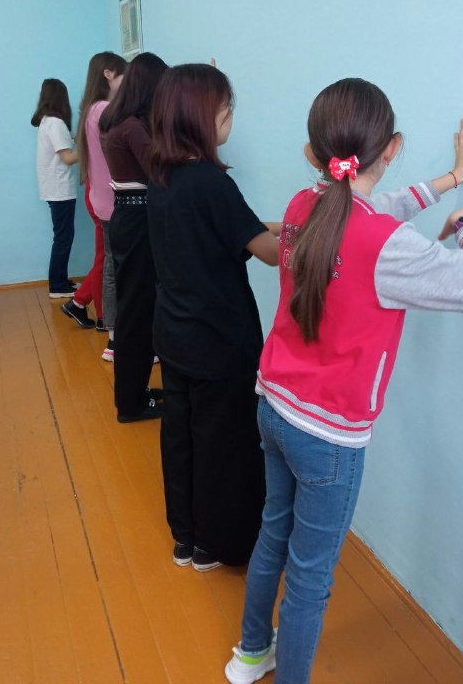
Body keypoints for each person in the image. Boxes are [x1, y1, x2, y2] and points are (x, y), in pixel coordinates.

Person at [225, 79, 463, 684]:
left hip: (273, 406)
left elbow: (373, 208)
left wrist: (451, 178)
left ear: (314, 155)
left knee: (273, 532)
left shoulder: (303, 206)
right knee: (310, 577)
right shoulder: (387, 245)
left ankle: (250, 655)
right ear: (392, 148)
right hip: (328, 437)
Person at [147, 64, 281, 572]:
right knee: (223, 443)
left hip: (175, 333)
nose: (230, 119)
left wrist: (285, 222)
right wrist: (326, 228)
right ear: (202, 118)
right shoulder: (212, 182)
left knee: (181, 437)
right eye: (227, 110)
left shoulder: (163, 176)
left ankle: (185, 537)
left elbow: (230, 227)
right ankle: (218, 545)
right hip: (219, 341)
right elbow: (269, 253)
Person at [100, 52, 169, 421]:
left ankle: (133, 395)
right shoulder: (132, 127)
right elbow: (160, 171)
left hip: (130, 217)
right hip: (138, 220)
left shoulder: (120, 122)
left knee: (136, 311)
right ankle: (132, 403)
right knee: (138, 315)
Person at [61, 52, 126, 355]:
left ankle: (109, 329)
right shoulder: (104, 110)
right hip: (113, 201)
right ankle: (111, 328)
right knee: (112, 266)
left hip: (100, 198)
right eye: (125, 77)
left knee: (107, 263)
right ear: (109, 74)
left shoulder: (90, 109)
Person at [31, 78, 79, 298]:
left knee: (62, 235)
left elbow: (64, 145)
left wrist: (77, 138)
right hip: (60, 189)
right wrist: (88, 148)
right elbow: (68, 158)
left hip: (53, 188)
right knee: (63, 236)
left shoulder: (47, 121)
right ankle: (57, 286)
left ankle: (60, 279)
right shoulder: (56, 123)